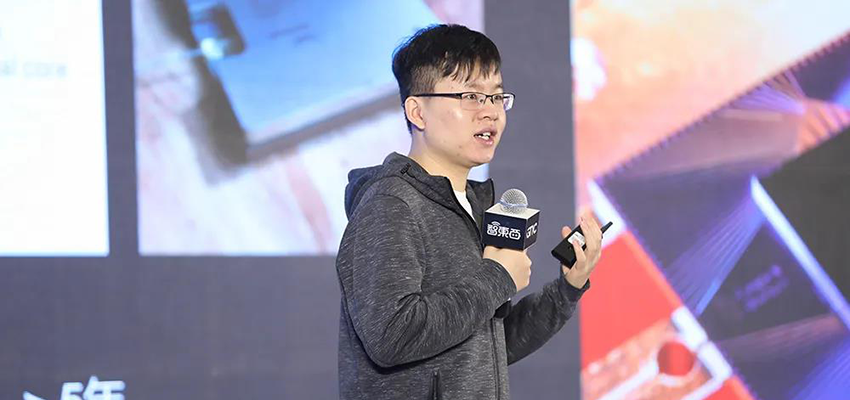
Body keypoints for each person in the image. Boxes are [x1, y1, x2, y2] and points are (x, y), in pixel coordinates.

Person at [336, 24, 604, 400]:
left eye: (496, 97)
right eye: (471, 96)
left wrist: (567, 289)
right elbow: (391, 335)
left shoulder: (472, 206)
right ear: (417, 112)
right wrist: (498, 277)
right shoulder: (391, 204)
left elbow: (489, 347)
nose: (490, 112)